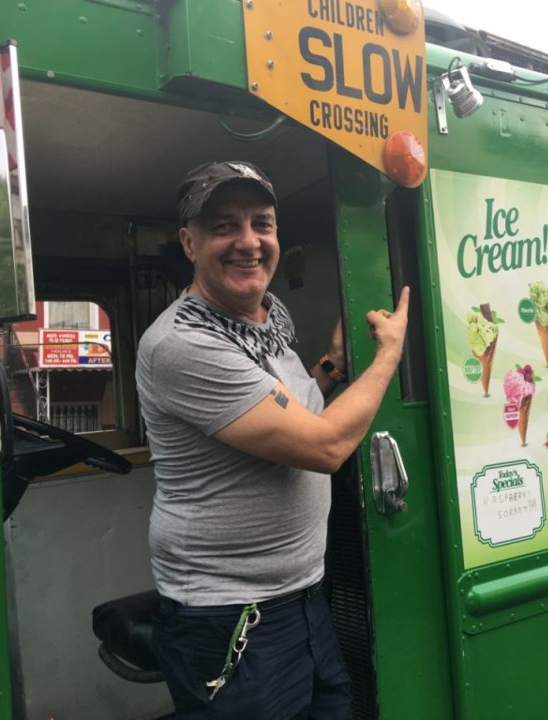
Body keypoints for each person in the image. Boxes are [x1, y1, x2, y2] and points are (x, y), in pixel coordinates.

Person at [136, 160, 409, 718]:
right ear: (189, 243)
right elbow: (325, 446)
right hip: (230, 614)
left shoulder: (267, 316)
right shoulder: (180, 344)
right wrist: (389, 355)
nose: (248, 242)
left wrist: (331, 365)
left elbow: (287, 406)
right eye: (224, 227)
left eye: (262, 223)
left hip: (303, 594)